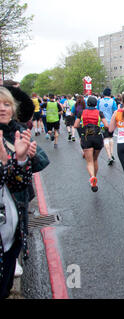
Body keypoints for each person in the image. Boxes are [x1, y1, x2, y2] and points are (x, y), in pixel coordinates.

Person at [0, 87, 39, 299]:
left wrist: (22, 159)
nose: (3, 109)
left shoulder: (15, 132)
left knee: (5, 287)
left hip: (11, 232)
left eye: (7, 104)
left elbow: (18, 183)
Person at [74, 96, 109, 192]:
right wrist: (100, 128)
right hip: (97, 137)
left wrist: (83, 125)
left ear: (87, 103)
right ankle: (94, 178)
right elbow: (106, 125)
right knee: (95, 159)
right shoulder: (99, 113)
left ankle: (92, 177)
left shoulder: (82, 112)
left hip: (86, 137)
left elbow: (76, 125)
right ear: (95, 104)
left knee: (89, 161)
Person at [97, 88, 118, 165]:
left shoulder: (99, 101)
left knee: (105, 138)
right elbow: (115, 111)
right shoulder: (113, 101)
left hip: (102, 123)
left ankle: (109, 156)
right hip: (111, 122)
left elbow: (97, 111)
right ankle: (112, 154)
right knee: (111, 137)